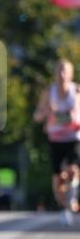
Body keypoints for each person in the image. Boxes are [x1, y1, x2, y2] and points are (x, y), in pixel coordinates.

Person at [33, 59, 80, 223]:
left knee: (73, 169)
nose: (61, 75)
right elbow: (37, 116)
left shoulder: (77, 91)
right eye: (59, 71)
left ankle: (73, 196)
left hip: (73, 137)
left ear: (71, 74)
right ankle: (63, 204)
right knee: (59, 177)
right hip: (55, 139)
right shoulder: (49, 92)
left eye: (65, 71)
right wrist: (47, 111)